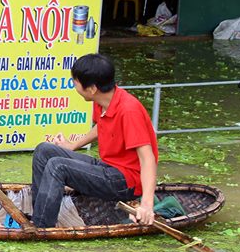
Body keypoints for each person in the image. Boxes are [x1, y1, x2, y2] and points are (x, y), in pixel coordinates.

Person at [31, 53, 158, 228]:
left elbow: (147, 159)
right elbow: (102, 125)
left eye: (75, 82)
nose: (74, 85)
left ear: (91, 89)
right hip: (108, 168)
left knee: (57, 166)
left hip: (125, 181)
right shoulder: (103, 101)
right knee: (44, 150)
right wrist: (72, 145)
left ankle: (41, 226)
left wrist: (147, 204)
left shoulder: (129, 110)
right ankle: (40, 211)